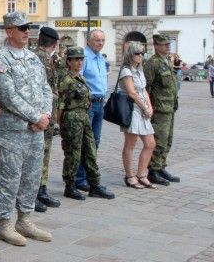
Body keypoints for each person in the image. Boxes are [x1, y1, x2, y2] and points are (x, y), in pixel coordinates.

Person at [0, 11, 53, 247]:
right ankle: (5, 223)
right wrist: (36, 116)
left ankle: (24, 219)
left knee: (32, 175)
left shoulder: (33, 58)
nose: (27, 31)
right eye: (22, 27)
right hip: (12, 131)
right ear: (9, 31)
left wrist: (45, 115)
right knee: (10, 176)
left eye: (28, 27)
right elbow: (7, 96)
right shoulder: (0, 61)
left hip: (36, 130)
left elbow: (46, 88)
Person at [56, 47, 115, 200]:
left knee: (90, 150)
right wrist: (60, 124)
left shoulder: (80, 78)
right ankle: (70, 186)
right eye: (76, 59)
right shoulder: (66, 79)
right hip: (71, 119)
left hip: (84, 118)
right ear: (68, 61)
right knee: (73, 154)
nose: (79, 62)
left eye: (81, 59)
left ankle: (95, 185)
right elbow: (60, 105)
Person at [117, 42, 156, 189]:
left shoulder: (139, 70)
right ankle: (130, 176)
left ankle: (141, 174)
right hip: (132, 110)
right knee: (130, 144)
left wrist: (149, 106)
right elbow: (132, 93)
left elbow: (144, 90)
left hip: (143, 109)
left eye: (142, 53)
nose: (140, 56)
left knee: (150, 143)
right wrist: (145, 107)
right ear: (130, 54)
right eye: (137, 53)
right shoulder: (126, 71)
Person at [32, 27, 62, 212]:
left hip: (46, 113)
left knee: (44, 153)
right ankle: (34, 192)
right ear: (54, 43)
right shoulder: (40, 58)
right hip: (42, 114)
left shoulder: (45, 57)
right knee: (38, 154)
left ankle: (41, 189)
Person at [144, 34, 180, 185]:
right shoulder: (152, 63)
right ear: (156, 45)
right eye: (164, 44)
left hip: (169, 107)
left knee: (167, 140)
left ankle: (161, 167)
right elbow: (146, 87)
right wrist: (149, 107)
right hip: (159, 109)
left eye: (168, 44)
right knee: (159, 140)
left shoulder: (167, 61)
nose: (168, 46)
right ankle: (153, 170)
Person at [78, 29, 107, 192]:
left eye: (103, 40)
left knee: (95, 141)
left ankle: (89, 174)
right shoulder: (84, 57)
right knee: (85, 142)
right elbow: (79, 78)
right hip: (88, 103)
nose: (101, 43)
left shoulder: (101, 58)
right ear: (89, 41)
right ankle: (80, 178)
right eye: (97, 40)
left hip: (100, 103)